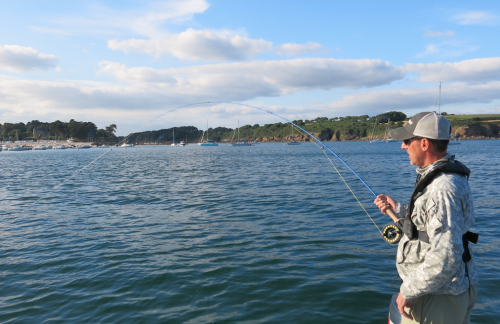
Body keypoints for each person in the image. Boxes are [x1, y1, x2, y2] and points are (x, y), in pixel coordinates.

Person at [374, 112, 478, 324]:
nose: (403, 146)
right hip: (441, 293)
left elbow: (446, 256)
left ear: (423, 143)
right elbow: (434, 227)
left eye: (406, 141)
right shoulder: (444, 178)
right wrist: (400, 210)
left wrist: (408, 290)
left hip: (437, 299)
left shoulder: (442, 188)